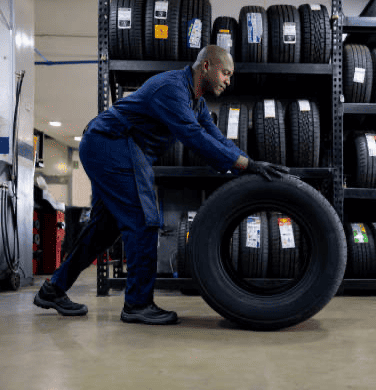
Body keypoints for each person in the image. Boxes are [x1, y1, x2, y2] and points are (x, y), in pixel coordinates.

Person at [33, 45, 288, 325]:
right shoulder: (171, 89)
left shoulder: (197, 102)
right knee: (144, 220)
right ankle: (137, 305)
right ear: (206, 66)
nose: (228, 80)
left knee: (104, 229)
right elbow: (194, 138)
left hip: (117, 147)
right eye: (225, 73)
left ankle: (52, 290)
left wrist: (251, 164)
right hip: (112, 142)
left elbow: (216, 138)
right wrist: (246, 166)